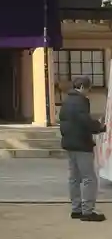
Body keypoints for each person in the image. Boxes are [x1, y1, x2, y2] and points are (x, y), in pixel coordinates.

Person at [59, 76, 106, 222]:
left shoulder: (66, 101)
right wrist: (100, 127)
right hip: (81, 144)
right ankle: (87, 211)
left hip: (69, 143)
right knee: (89, 178)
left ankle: (76, 209)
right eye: (88, 89)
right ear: (83, 87)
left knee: (74, 178)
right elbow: (84, 121)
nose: (88, 92)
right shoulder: (81, 101)